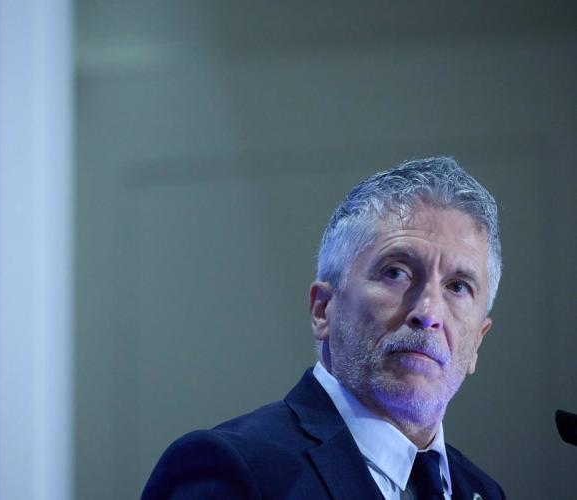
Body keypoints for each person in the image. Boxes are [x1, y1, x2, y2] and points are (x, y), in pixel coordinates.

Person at [142, 157, 506, 499]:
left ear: (478, 340)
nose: (427, 313)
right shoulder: (231, 468)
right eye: (396, 272)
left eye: (458, 287)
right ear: (322, 310)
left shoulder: (484, 491)